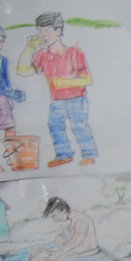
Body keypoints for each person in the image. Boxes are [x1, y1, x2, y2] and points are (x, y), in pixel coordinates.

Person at [17, 11, 98, 167]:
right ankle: (63, 154)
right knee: (55, 127)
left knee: (79, 126)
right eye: (40, 31)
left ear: (58, 31)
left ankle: (89, 154)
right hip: (57, 100)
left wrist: (63, 82)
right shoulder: (41, 55)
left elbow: (87, 79)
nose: (43, 35)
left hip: (76, 98)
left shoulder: (74, 52)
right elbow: (22, 70)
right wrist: (29, 48)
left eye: (47, 30)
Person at [24, 197, 100, 261]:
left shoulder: (81, 221)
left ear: (63, 210)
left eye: (54, 216)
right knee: (38, 251)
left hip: (86, 252)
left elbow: (75, 242)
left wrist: (57, 254)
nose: (54, 220)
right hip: (78, 250)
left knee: (41, 256)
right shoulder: (75, 219)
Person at [0, 27, 26, 144]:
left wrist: (10, 94)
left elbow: (5, 78)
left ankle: (11, 153)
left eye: (1, 41)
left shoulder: (3, 60)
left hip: (2, 99)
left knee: (9, 125)